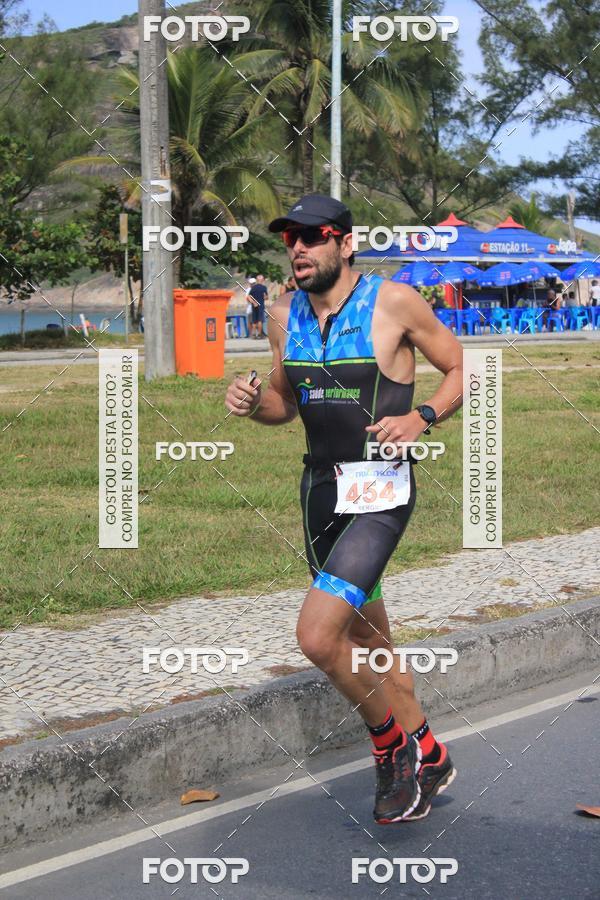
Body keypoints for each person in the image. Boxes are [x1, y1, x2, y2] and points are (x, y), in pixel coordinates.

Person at [225, 194, 463, 824]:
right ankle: (432, 754)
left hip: (380, 491)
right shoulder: (283, 315)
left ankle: (390, 749)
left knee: (318, 634)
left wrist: (422, 416)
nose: (299, 248)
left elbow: (460, 366)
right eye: (290, 239)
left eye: (314, 236)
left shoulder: (393, 303)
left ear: (346, 242)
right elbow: (285, 405)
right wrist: (253, 406)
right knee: (369, 640)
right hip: (320, 496)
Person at [248, 274, 268, 339]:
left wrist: (253, 302)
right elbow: (266, 297)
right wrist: (264, 297)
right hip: (261, 305)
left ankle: (253, 334)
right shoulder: (264, 287)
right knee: (260, 320)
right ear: (262, 280)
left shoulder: (253, 287)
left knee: (254, 320)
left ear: (257, 280)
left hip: (254, 306)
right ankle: (259, 334)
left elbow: (249, 297)